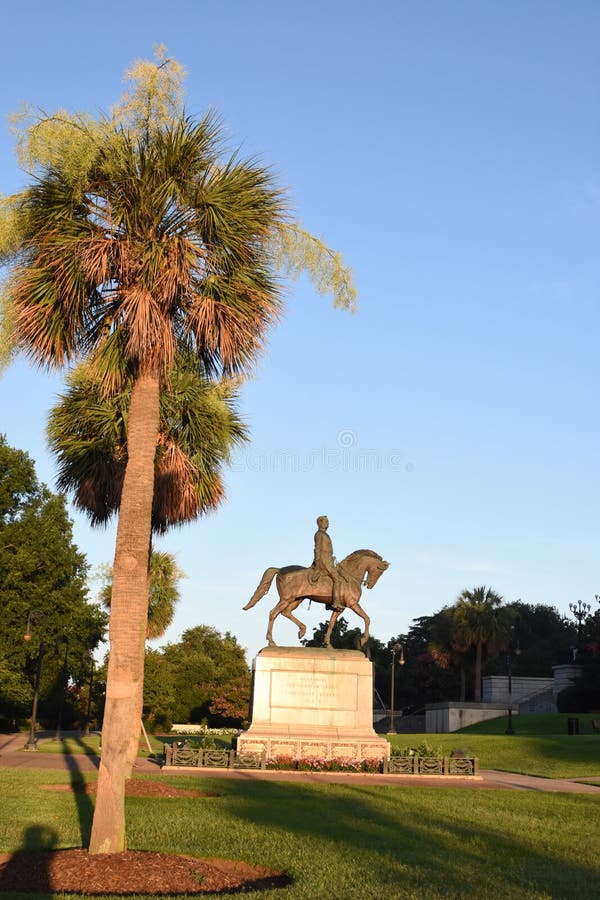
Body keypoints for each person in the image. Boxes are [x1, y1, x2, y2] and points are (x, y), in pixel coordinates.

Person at [310, 515, 344, 610]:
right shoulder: (319, 534)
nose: (328, 523)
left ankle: (328, 601)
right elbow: (317, 549)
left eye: (328, 521)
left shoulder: (325, 534)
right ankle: (336, 603)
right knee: (337, 580)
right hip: (324, 561)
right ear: (320, 523)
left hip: (329, 559)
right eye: (326, 521)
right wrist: (317, 563)